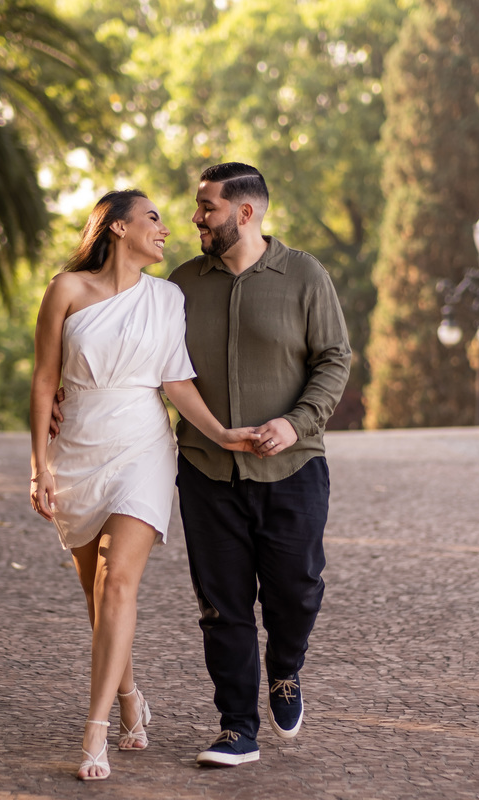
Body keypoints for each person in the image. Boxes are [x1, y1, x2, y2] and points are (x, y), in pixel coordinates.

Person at [28, 189, 259, 781]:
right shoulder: (67, 290)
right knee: (95, 590)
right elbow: (43, 379)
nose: (165, 228)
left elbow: (176, 381)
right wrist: (39, 465)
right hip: (78, 444)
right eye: (152, 219)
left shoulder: (168, 297)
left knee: (120, 582)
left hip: (144, 445)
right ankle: (130, 696)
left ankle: (95, 731)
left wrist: (223, 432)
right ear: (116, 228)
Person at [169, 163, 351, 766]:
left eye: (207, 207)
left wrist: (294, 424)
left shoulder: (304, 275)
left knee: (296, 591)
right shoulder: (182, 284)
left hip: (294, 469)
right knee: (221, 604)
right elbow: (155, 365)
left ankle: (286, 669)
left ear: (244, 214)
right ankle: (236, 725)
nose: (195, 217)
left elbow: (334, 360)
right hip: (206, 469)